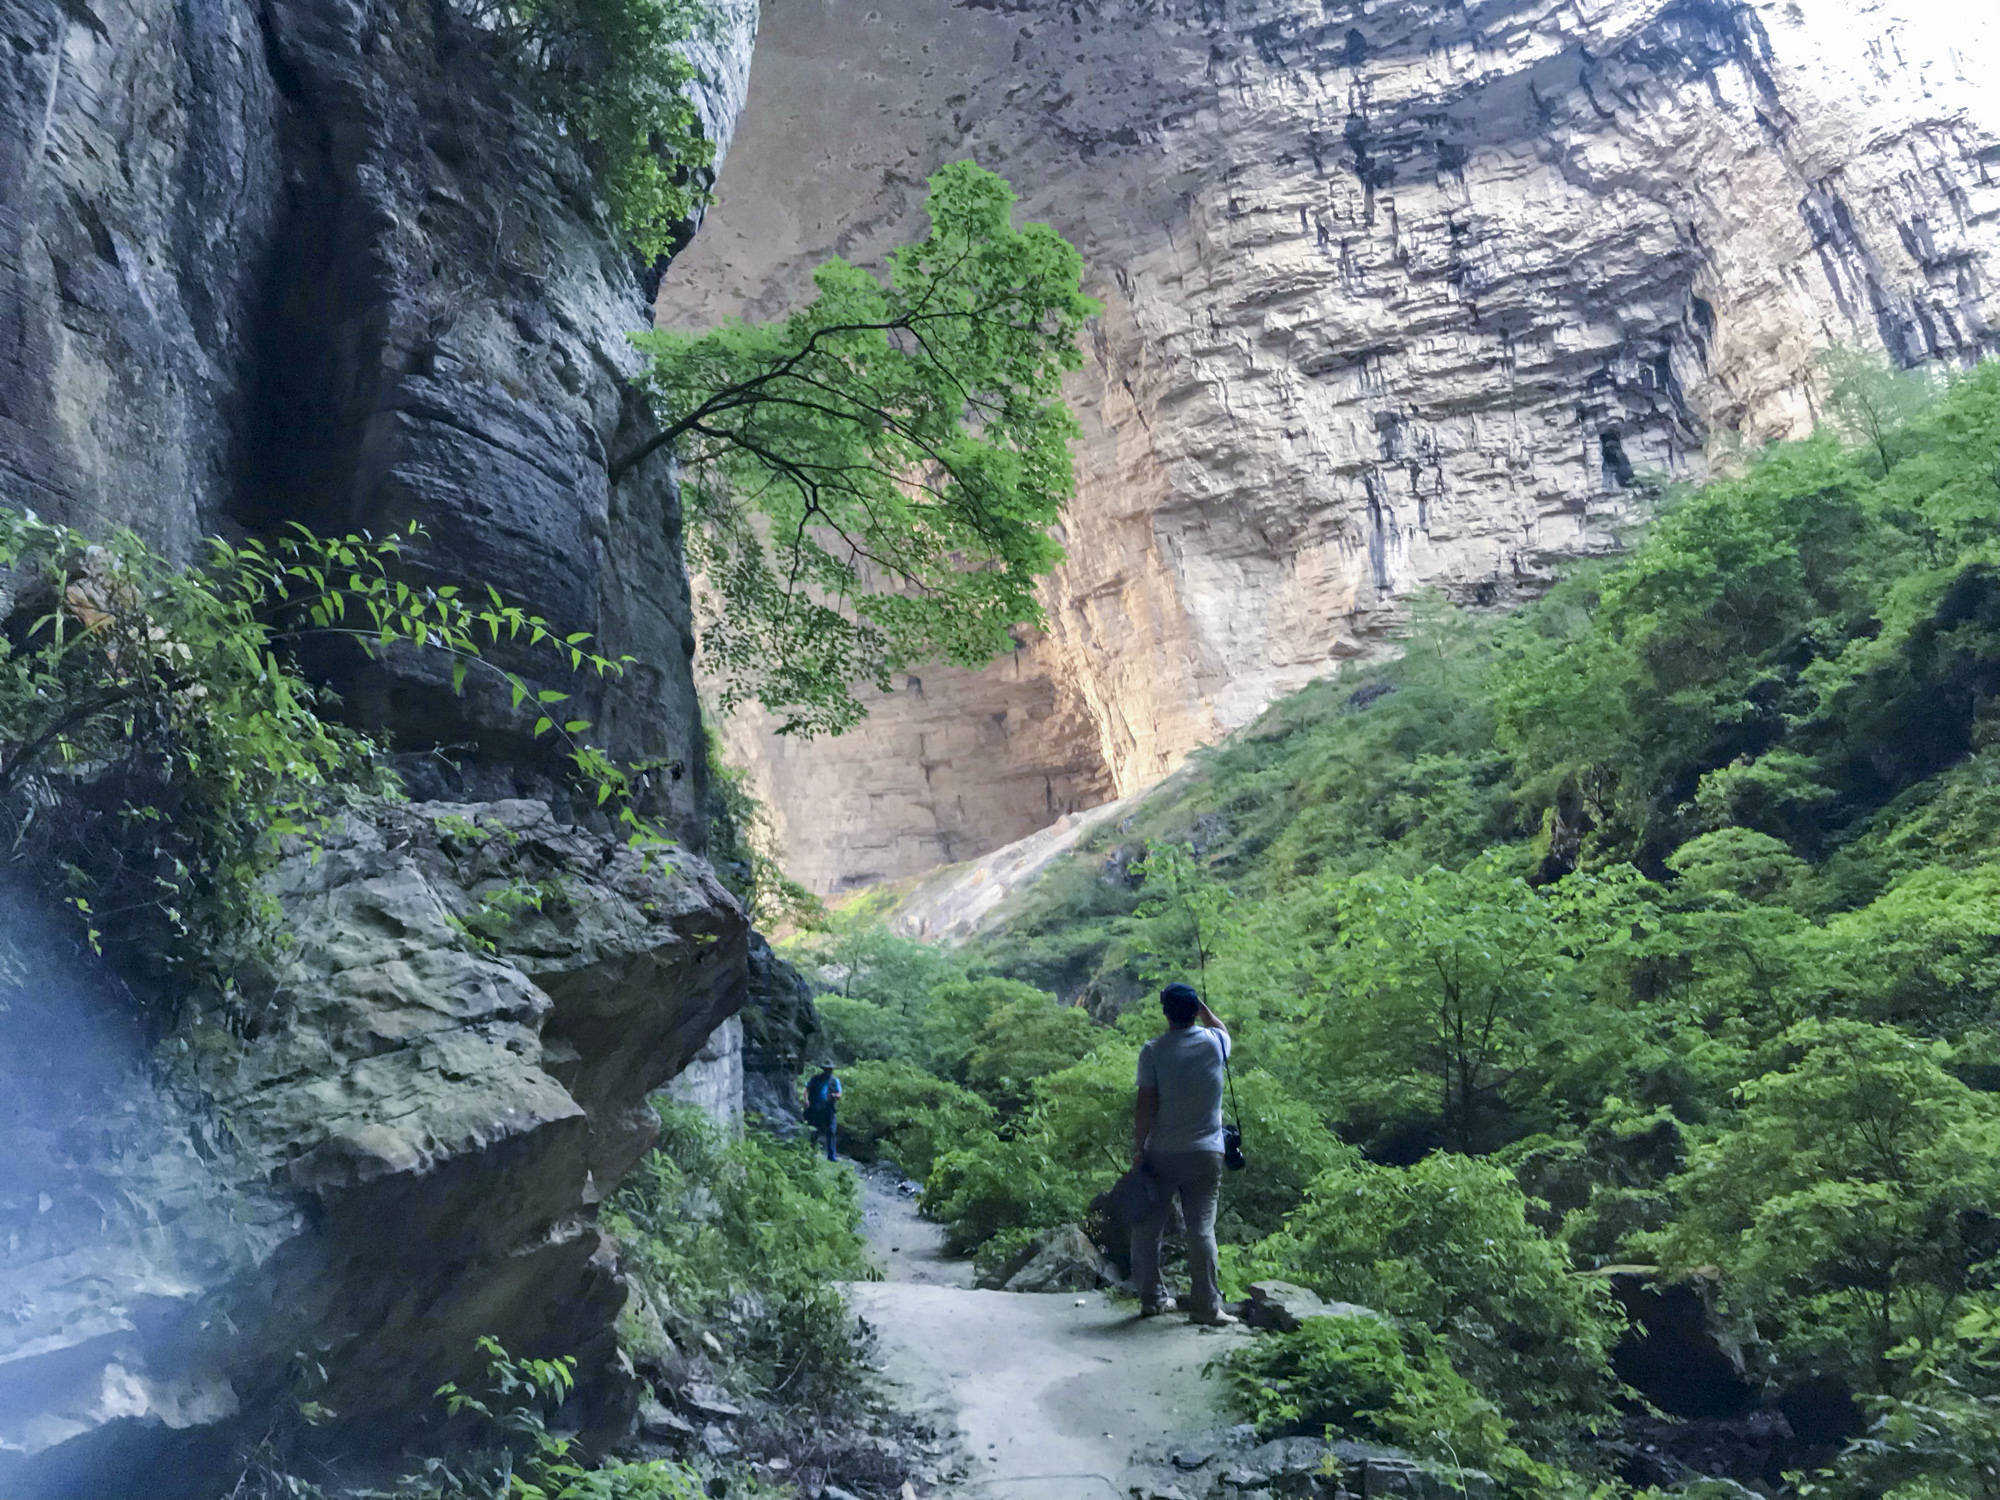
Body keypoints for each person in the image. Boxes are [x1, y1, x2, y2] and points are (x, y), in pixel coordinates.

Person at [1130, 981, 1236, 1326]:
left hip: (1161, 1152)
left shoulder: (1153, 1051)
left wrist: (1138, 1148)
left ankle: (1152, 1299)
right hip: (1206, 1152)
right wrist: (1201, 1005)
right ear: (1195, 1010)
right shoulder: (1215, 1043)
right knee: (1201, 1230)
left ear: (1166, 1013)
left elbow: (1145, 1105)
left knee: (1148, 1228)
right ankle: (1207, 1307)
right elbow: (1220, 1026)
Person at [804, 1062, 843, 1162]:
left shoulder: (835, 1080)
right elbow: (807, 1089)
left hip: (829, 1109)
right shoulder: (816, 1079)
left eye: (830, 1069)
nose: (829, 1071)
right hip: (815, 1108)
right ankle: (811, 1153)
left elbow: (839, 1094)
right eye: (827, 1069)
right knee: (814, 1131)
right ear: (824, 1069)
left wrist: (835, 1096)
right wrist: (806, 1100)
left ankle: (831, 1156)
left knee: (831, 1131)